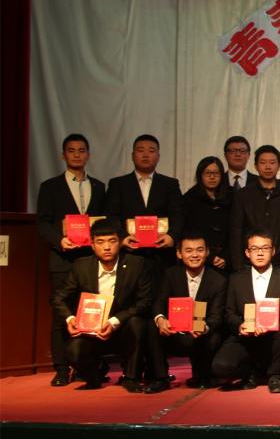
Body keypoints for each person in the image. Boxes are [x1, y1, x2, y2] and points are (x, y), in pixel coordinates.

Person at [36, 133, 106, 386]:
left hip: (90, 260)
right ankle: (62, 368)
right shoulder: (50, 186)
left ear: (88, 155)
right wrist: (59, 240)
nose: (77, 155)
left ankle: (88, 365)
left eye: (81, 150)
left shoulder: (99, 186)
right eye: (71, 150)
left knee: (91, 313)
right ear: (63, 155)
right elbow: (42, 223)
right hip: (62, 260)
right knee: (61, 315)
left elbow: (103, 222)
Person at [53, 218, 152, 391]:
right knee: (73, 351)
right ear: (92, 245)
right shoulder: (81, 266)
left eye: (112, 241)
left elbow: (145, 302)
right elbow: (58, 298)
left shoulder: (136, 265)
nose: (107, 247)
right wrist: (70, 319)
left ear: (120, 242)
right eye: (100, 242)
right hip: (91, 329)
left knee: (137, 323)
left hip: (122, 327)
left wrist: (114, 322)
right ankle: (94, 375)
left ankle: (131, 378)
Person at [213, 230, 280, 393]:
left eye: (265, 248)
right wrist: (240, 326)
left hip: (274, 338)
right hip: (245, 339)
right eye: (254, 248)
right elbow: (229, 313)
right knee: (221, 367)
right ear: (247, 253)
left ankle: (276, 376)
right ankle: (250, 372)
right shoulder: (236, 279)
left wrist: (269, 325)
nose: (260, 253)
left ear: (273, 251)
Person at [145, 232, 227, 392]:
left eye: (199, 250)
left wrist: (204, 327)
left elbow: (217, 316)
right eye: (188, 250)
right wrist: (161, 319)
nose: (195, 255)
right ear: (179, 253)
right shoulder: (170, 275)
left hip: (201, 334)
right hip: (174, 332)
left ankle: (202, 375)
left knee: (215, 335)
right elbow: (159, 302)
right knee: (151, 326)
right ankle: (160, 378)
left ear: (207, 252)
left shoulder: (219, 280)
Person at [104, 134, 183, 270]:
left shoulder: (170, 184)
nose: (146, 155)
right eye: (140, 150)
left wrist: (171, 236)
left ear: (158, 156)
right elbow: (111, 215)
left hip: (162, 255)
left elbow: (179, 215)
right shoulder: (118, 184)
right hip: (129, 253)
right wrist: (123, 237)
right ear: (132, 155)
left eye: (151, 151)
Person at [228, 145, 280, 273]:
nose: (268, 167)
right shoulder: (243, 195)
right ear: (256, 166)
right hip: (248, 263)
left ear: (279, 165)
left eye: (272, 162)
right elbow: (236, 232)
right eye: (263, 163)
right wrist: (238, 265)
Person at [181, 156, 231, 272]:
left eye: (216, 173)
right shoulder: (189, 198)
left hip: (227, 258)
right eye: (208, 173)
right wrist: (209, 256)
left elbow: (236, 230)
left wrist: (226, 257)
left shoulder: (231, 195)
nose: (212, 177)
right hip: (199, 258)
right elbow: (187, 231)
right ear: (200, 175)